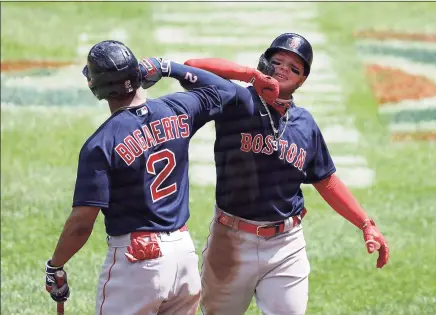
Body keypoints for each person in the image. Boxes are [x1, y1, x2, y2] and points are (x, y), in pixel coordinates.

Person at [44, 40, 280, 315]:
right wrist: (169, 67)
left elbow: (81, 225)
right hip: (183, 257)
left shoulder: (101, 144)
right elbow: (226, 90)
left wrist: (55, 264)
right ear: (139, 76)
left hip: (137, 263)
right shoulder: (179, 109)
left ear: (97, 88)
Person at [184, 32, 390, 315]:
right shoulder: (236, 101)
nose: (283, 70)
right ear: (263, 62)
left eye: (294, 69)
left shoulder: (304, 122)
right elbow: (192, 66)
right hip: (230, 242)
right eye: (277, 61)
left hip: (286, 245)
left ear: (302, 80)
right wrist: (250, 76)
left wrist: (365, 223)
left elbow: (326, 180)